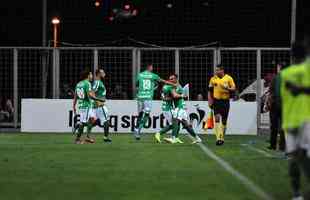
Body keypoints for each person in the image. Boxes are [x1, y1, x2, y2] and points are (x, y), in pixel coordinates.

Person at [280, 39, 310, 200]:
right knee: (304, 156)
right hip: (305, 119)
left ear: (292, 55)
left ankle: (297, 194)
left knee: (293, 157)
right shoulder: (307, 70)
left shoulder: (285, 74)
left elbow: (280, 98)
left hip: (289, 120)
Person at [154, 74, 202, 144]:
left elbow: (175, 95)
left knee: (175, 120)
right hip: (181, 107)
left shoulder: (176, 86)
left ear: (176, 79)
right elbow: (171, 95)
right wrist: (165, 97)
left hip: (180, 107)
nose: (171, 80)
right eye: (170, 79)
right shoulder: (174, 86)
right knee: (185, 125)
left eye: (172, 79)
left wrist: (181, 95)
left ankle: (173, 138)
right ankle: (197, 138)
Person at [133, 64, 174, 140]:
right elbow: (162, 81)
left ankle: (136, 128)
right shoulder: (153, 75)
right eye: (152, 67)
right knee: (147, 114)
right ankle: (138, 130)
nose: (152, 68)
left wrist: (145, 89)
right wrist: (172, 84)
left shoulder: (140, 75)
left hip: (140, 97)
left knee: (140, 114)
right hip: (148, 98)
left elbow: (136, 85)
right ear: (149, 67)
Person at [72, 69, 105, 144]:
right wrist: (99, 99)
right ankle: (77, 139)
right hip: (86, 106)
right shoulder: (87, 83)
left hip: (83, 105)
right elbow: (90, 95)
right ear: (87, 75)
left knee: (93, 119)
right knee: (83, 123)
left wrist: (74, 105)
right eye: (91, 74)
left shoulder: (79, 84)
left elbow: (75, 96)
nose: (92, 76)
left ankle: (87, 137)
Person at [208, 65, 236, 146]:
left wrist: (228, 88)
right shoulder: (213, 79)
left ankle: (222, 137)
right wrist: (209, 100)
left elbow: (234, 88)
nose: (216, 72)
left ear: (222, 70)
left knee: (224, 120)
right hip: (216, 101)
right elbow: (209, 91)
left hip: (225, 101)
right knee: (217, 118)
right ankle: (218, 138)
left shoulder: (229, 78)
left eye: (217, 70)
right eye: (215, 70)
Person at [266, 64, 286, 151]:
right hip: (285, 105)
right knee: (283, 126)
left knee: (274, 126)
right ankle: (282, 146)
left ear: (279, 68)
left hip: (275, 105)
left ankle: (273, 145)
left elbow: (270, 92)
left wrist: (267, 104)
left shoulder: (275, 78)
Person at [91, 69, 112, 142]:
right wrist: (97, 101)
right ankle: (105, 137)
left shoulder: (99, 82)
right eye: (103, 72)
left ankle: (80, 125)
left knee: (96, 122)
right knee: (106, 121)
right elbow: (92, 92)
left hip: (97, 106)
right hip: (100, 106)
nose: (104, 73)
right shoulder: (97, 82)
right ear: (99, 74)